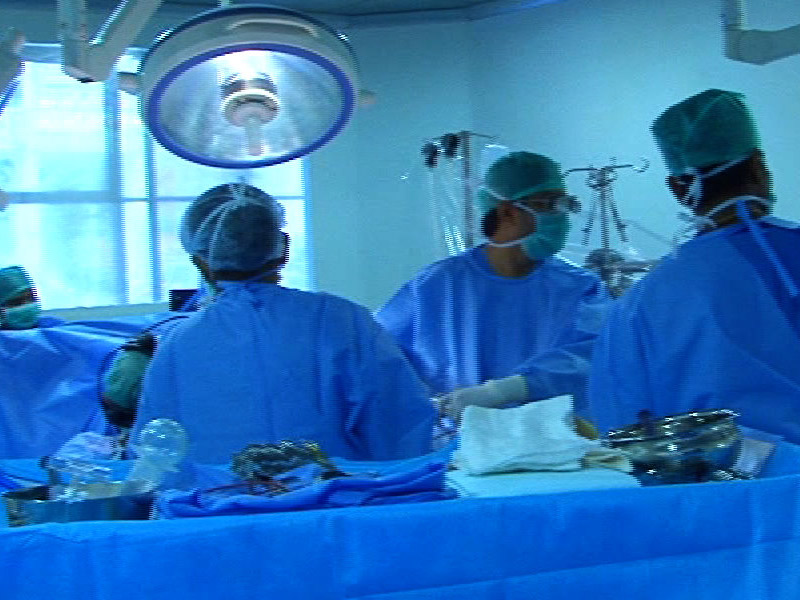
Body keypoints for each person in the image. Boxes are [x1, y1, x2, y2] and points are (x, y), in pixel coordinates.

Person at [133, 183, 435, 466]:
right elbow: (401, 432)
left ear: (201, 262)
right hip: (335, 499)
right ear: (284, 249)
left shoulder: (177, 345)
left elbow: (154, 459)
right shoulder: (343, 321)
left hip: (217, 502)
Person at [588, 89, 800, 442]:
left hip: (717, 474)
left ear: (677, 189)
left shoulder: (641, 305)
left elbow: (621, 427)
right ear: (759, 166)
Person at [376, 151, 611, 421]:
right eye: (548, 204)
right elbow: (378, 354)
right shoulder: (435, 286)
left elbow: (599, 354)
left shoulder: (581, 289)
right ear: (507, 211)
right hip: (457, 440)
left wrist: (507, 390)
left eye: (564, 204)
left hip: (554, 439)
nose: (561, 217)